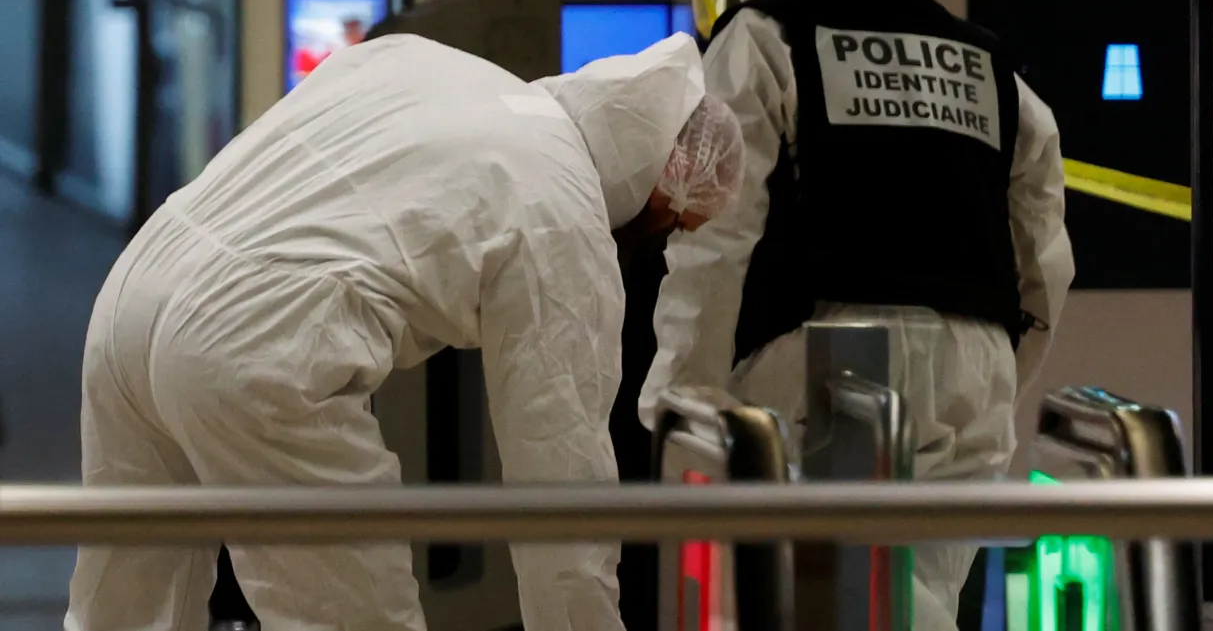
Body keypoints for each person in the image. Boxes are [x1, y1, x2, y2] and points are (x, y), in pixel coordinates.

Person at [65, 31, 746, 631]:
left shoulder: (428, 62)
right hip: (255, 344)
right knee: (352, 614)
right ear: (663, 182)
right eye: (671, 225)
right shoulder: (562, 207)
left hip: (134, 291)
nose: (656, 241)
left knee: (124, 607)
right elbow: (561, 489)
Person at [639, 0, 1074, 631]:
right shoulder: (988, 63)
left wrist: (683, 398)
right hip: (970, 366)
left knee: (824, 605)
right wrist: (997, 376)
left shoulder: (764, 40)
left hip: (823, 359)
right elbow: (1044, 263)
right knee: (922, 602)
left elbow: (716, 235)